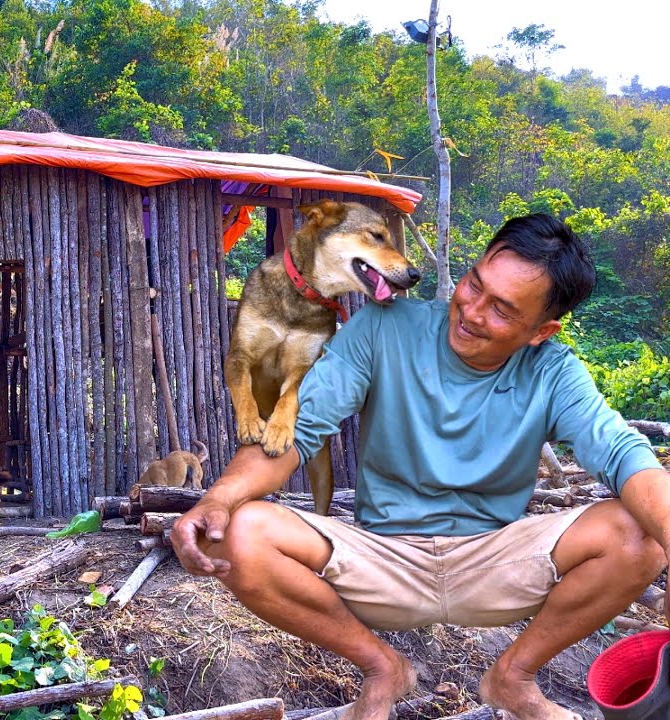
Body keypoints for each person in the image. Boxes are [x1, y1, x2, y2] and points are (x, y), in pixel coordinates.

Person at [172, 214, 670, 720]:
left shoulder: (554, 372)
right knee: (236, 530)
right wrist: (218, 498)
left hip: (497, 564)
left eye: (501, 309)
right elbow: (295, 434)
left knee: (640, 534)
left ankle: (513, 676)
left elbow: (621, 454)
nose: (471, 311)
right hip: (381, 558)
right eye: (474, 284)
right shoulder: (384, 328)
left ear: (541, 331)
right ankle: (380, 666)